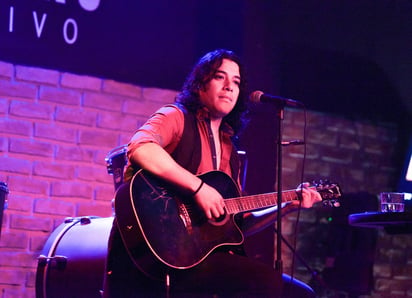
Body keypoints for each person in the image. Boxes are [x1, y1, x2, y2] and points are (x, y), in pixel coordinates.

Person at [103, 49, 322, 297]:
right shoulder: (176, 117)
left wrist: (288, 204)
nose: (229, 87)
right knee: (264, 282)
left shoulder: (230, 148)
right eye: (220, 77)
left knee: (301, 293)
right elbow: (140, 148)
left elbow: (238, 222)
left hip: (201, 257)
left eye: (236, 82)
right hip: (163, 256)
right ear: (200, 85)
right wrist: (198, 188)